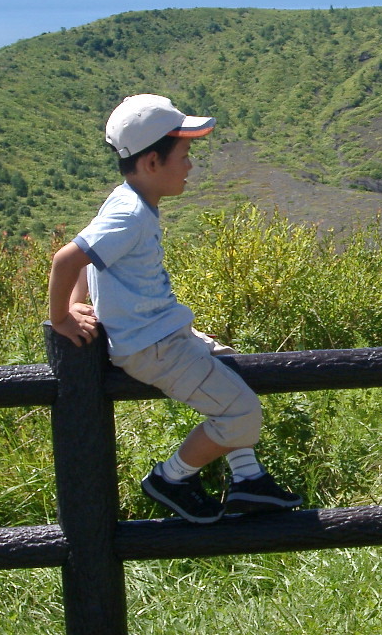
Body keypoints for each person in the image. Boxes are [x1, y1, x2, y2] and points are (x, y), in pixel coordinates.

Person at [48, 93, 302, 523]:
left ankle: (247, 480)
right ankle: (171, 478)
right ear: (151, 163)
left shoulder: (126, 200)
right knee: (242, 414)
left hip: (161, 333)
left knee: (227, 370)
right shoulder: (130, 214)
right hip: (153, 347)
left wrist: (78, 304)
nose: (190, 165)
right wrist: (62, 317)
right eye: (184, 156)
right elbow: (67, 258)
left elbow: (86, 252)